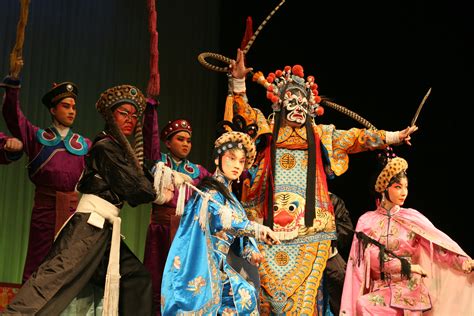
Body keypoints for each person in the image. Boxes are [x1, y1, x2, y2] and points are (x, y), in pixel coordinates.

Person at [227, 48, 419, 315]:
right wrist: (237, 82)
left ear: (310, 107)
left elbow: (358, 138)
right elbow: (243, 115)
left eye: (302, 103)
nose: (297, 108)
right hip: (266, 228)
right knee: (268, 304)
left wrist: (396, 136)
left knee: (304, 305)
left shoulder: (321, 135)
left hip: (310, 231)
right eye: (291, 101)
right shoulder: (266, 129)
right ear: (278, 103)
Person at [4, 84, 161, 315]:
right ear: (110, 116)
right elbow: (139, 190)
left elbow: (141, 181)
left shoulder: (98, 146)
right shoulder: (105, 146)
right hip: (88, 225)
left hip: (104, 229)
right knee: (51, 279)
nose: (131, 119)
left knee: (136, 277)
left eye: (134, 115)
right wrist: (158, 189)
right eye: (123, 113)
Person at [161, 128, 280, 315]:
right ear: (218, 159)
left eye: (241, 161)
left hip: (219, 265)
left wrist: (251, 251)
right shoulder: (209, 192)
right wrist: (257, 229)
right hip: (201, 264)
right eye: (231, 158)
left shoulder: (232, 198)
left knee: (245, 296)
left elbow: (240, 233)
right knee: (243, 297)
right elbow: (226, 220)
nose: (237, 165)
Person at [340, 149, 474, 315]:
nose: (404, 192)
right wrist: (407, 266)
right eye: (398, 187)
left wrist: (462, 261)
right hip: (381, 290)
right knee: (364, 304)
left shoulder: (411, 217)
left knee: (368, 305)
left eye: (406, 187)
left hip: (409, 289)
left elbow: (438, 245)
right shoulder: (367, 221)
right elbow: (365, 260)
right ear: (384, 188)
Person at [1, 57, 91, 283]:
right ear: (53, 109)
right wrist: (14, 81)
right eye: (65, 106)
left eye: (74, 107)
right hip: (45, 211)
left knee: (71, 268)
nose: (72, 111)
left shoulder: (85, 145)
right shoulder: (38, 138)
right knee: (38, 265)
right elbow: (13, 116)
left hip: (73, 213)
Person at [141, 101, 211, 312]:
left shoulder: (198, 171)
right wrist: (151, 109)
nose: (186, 144)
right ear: (168, 143)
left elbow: (219, 184)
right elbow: (149, 141)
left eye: (189, 140)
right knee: (157, 277)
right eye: (180, 139)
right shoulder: (159, 163)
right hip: (160, 230)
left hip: (186, 233)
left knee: (183, 281)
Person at [325, 192, 354, 315]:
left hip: (328, 257)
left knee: (345, 287)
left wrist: (329, 239)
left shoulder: (331, 199)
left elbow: (346, 228)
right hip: (298, 259)